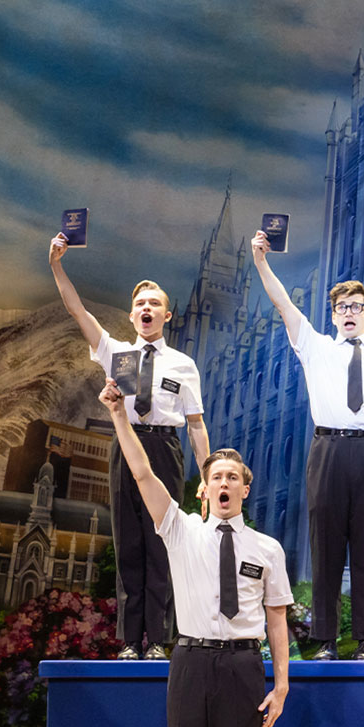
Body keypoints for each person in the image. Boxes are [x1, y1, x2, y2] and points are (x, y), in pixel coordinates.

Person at [99, 379, 291, 727]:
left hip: (241, 667)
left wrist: (280, 684)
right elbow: (141, 473)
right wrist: (118, 417)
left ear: (246, 490)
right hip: (189, 664)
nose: (224, 483)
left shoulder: (267, 549)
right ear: (202, 490)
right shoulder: (179, 529)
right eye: (216, 477)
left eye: (233, 477)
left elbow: (276, 618)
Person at [249, 230, 364, 660]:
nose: (348, 313)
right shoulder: (315, 348)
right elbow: (283, 303)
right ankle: (326, 639)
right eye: (341, 307)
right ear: (332, 315)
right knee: (326, 545)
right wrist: (261, 263)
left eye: (356, 307)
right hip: (327, 452)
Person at [50, 232, 211, 660]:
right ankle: (128, 641)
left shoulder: (184, 365)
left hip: (165, 450)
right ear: (131, 314)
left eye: (154, 304)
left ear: (167, 315)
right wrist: (57, 266)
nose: (146, 309)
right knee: (129, 544)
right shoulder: (117, 353)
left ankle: (158, 639)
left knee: (161, 543)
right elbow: (77, 310)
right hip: (125, 446)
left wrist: (208, 475)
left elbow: (195, 424)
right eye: (140, 303)